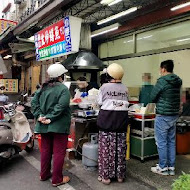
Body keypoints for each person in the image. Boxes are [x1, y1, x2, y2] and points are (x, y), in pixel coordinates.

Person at [31, 63, 71, 187]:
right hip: (59, 126)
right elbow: (61, 106)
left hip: (43, 125)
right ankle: (57, 179)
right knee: (59, 152)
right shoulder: (63, 89)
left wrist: (39, 116)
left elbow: (34, 103)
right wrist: (50, 117)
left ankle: (44, 174)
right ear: (61, 75)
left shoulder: (42, 88)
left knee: (46, 150)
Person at [97, 63, 129, 185]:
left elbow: (99, 102)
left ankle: (105, 177)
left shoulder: (104, 87)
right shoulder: (125, 88)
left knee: (106, 149)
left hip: (107, 122)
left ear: (109, 75)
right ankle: (120, 176)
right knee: (120, 149)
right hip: (121, 122)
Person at [150, 60, 182, 176]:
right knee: (171, 141)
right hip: (173, 115)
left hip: (163, 115)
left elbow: (152, 97)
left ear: (163, 69)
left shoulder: (162, 81)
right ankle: (171, 167)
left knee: (162, 142)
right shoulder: (177, 81)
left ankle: (163, 167)